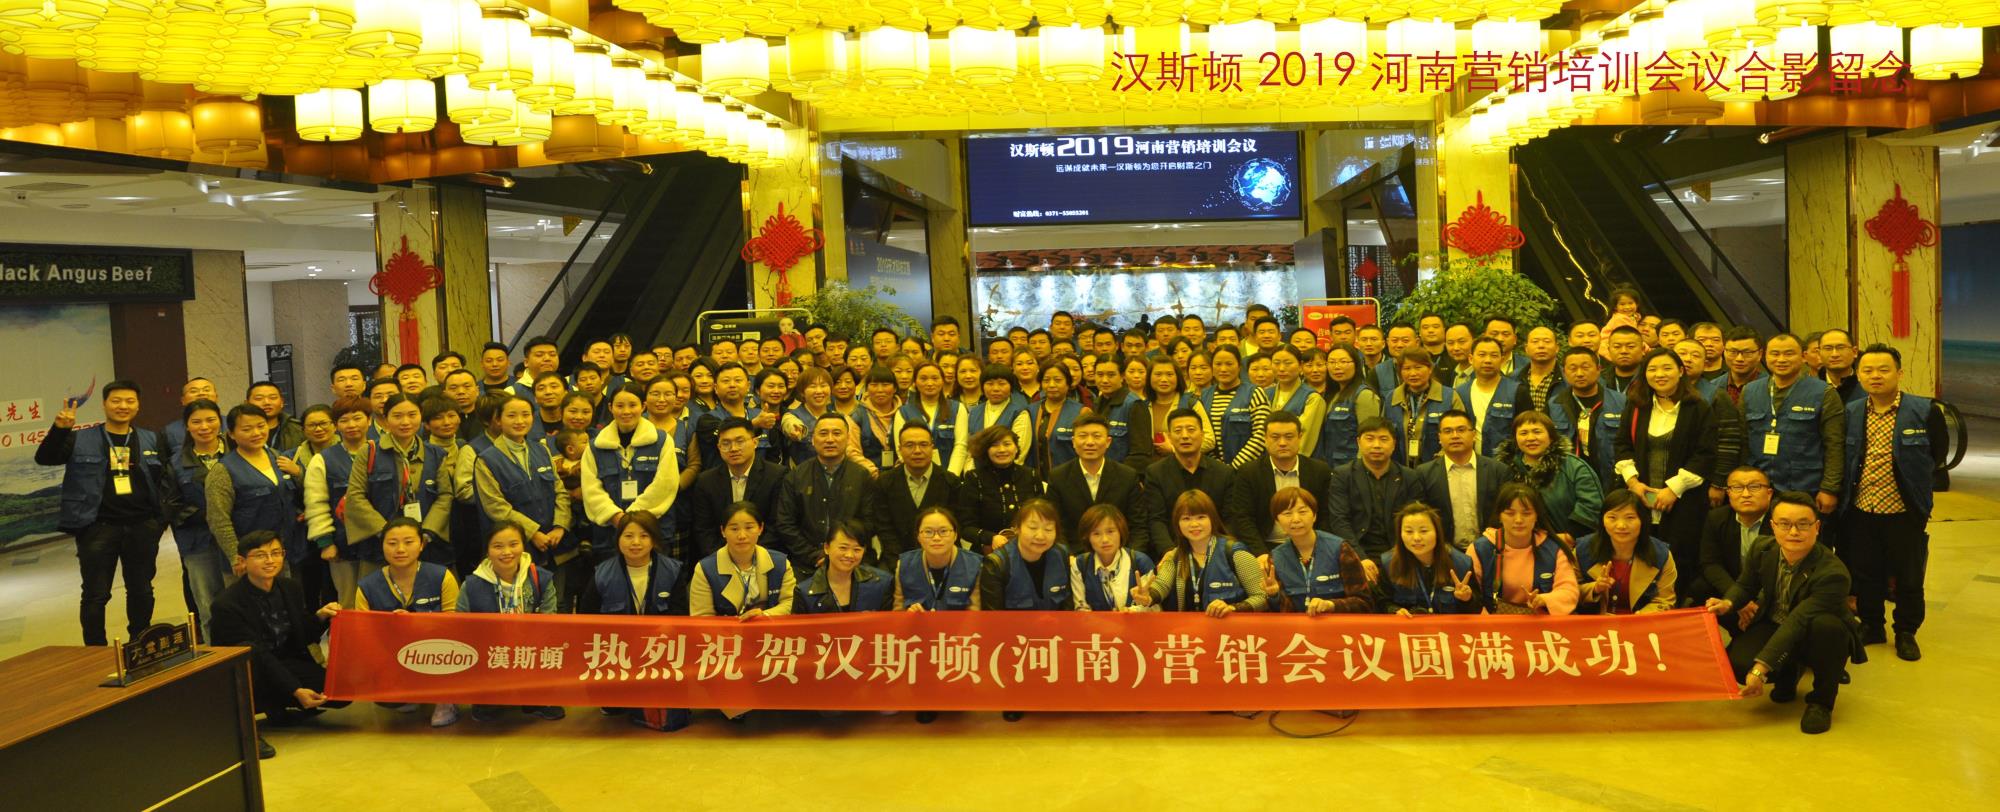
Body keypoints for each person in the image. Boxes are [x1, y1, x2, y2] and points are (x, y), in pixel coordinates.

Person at [1705, 491, 1864, 734]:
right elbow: (1746, 585)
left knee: (1827, 629)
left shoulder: (1833, 573)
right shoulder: (1762, 548)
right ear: (1772, 526)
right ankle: (1789, 672)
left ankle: (1821, 702)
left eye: (1803, 524)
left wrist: (1761, 668)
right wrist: (1728, 603)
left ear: (1817, 527)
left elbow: (1798, 621)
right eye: (1785, 524)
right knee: (1738, 664)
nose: (1793, 532)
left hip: (1814, 630)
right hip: (1775, 621)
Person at [35, 380, 176, 646]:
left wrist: (160, 519)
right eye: (116, 400)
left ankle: (139, 644)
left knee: (142, 590)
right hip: (98, 527)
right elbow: (45, 458)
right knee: (95, 595)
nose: (123, 406)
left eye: (130, 401)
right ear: (104, 404)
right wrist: (60, 429)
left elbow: (166, 479)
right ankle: (95, 650)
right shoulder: (80, 438)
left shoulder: (151, 438)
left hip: (142, 526)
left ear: (138, 405)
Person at [1841, 343, 1947, 661]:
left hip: (1905, 509)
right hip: (1862, 507)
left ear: (1899, 373)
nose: (1875, 376)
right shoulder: (1852, 411)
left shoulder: (1925, 410)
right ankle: (1872, 626)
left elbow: (1937, 455)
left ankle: (1906, 632)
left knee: (1908, 575)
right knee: (1866, 572)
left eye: (1883, 369)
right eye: (1868, 370)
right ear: (1859, 375)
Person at [209, 531, 350, 759]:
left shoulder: (289, 587)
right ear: (242, 561)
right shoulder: (226, 604)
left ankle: (277, 709)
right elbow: (258, 654)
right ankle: (246, 733)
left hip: (283, 662)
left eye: (276, 553)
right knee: (251, 653)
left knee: (339, 693)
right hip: (246, 674)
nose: (270, 560)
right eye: (260, 555)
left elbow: (300, 638)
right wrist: (295, 690)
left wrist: (321, 616)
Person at [1613, 347, 1719, 601]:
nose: (1659, 374)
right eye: (1652, 369)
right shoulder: (1637, 406)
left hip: (1683, 500)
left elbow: (1705, 454)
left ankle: (1674, 608)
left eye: (1667, 368)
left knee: (1679, 557)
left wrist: (1673, 489)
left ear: (1681, 371)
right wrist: (1633, 483)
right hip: (1641, 496)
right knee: (1641, 554)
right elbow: (1622, 445)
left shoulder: (1698, 407)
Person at [577, 510, 689, 731]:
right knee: (614, 708)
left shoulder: (672, 570)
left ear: (654, 540)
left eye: (644, 536)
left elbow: (681, 616)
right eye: (628, 536)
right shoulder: (601, 574)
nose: (636, 542)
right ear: (618, 539)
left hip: (658, 649)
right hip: (616, 651)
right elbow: (586, 618)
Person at [354, 518, 461, 727]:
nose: (400, 549)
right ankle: (410, 696)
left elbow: (456, 624)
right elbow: (363, 633)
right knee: (385, 696)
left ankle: (446, 700)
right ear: (382, 546)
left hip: (438, 651)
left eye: (408, 542)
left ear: (421, 545)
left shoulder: (441, 576)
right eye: (392, 543)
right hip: (393, 654)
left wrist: (417, 624)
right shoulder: (367, 586)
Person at [456, 522, 563, 723]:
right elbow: (460, 628)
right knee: (485, 711)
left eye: (513, 544)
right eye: (498, 546)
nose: (507, 552)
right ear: (487, 551)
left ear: (523, 546)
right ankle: (488, 696)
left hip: (530, 650)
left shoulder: (541, 578)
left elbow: (550, 621)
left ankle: (535, 695)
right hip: (489, 654)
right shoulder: (471, 585)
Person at [471, 395, 574, 595]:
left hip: (555, 543)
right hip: (516, 549)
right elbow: (496, 507)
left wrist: (560, 526)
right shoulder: (486, 460)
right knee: (523, 603)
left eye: (525, 415)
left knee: (558, 602)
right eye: (511, 416)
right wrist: (533, 533)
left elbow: (559, 490)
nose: (520, 421)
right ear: (498, 420)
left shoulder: (542, 450)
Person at [579, 385, 681, 564]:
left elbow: (665, 484)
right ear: (610, 407)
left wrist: (632, 518)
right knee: (611, 579)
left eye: (632, 405)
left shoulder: (662, 441)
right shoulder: (595, 446)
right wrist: (615, 516)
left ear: (643, 406)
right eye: (619, 406)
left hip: (653, 530)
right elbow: (591, 489)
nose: (626, 411)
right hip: (610, 532)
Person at [1744, 333, 1845, 513]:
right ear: (1765, 356)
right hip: (1759, 487)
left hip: (1806, 487)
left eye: (1789, 353)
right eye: (1775, 353)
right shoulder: (1750, 391)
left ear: (1803, 356)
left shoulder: (1824, 392)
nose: (1781, 359)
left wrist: (1829, 488)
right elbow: (1742, 439)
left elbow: (1835, 445)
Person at [1132, 490, 1267, 615]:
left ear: (1212, 519)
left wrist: (1233, 608)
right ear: (1177, 524)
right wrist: (1147, 597)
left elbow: (1262, 597)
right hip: (1190, 630)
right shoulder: (1175, 556)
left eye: (1201, 517)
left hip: (1230, 630)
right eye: (1186, 518)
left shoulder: (1235, 553)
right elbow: (1162, 585)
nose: (1194, 524)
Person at [207, 404, 306, 570]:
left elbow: (296, 494)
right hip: (250, 557)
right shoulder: (223, 470)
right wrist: (236, 557)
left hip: (286, 551)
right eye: (247, 429)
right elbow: (218, 520)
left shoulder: (278, 457)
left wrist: (299, 474)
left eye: (261, 426)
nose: (256, 433)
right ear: (231, 434)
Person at [1224, 410, 1332, 554]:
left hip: (1309, 545)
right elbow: (1242, 518)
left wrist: (1317, 548)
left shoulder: (1319, 470)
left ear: (1300, 437)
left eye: (1289, 437)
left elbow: (1326, 515)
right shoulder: (1248, 472)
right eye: (1275, 437)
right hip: (1266, 545)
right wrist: (1261, 553)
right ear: (1265, 439)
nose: (1282, 443)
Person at [774, 413, 872, 572]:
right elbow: (785, 524)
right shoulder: (796, 476)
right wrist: (814, 555)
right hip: (806, 563)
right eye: (823, 433)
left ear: (848, 438)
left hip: (852, 560)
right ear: (813, 439)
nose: (830, 439)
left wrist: (842, 552)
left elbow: (869, 523)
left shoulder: (862, 476)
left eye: (837, 433)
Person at [1045, 413, 1152, 553]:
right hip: (1074, 556)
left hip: (1119, 553)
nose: (1090, 442)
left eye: (1096, 436)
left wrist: (1129, 557)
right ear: (1073, 441)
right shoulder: (1058, 477)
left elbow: (1139, 526)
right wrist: (1067, 557)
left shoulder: (1127, 476)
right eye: (1083, 436)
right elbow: (1054, 525)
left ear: (1108, 442)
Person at [1258, 487, 1373, 615]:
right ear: (1277, 521)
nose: (1296, 519)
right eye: (1287, 514)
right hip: (1298, 626)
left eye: (1302, 512)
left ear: (1314, 515)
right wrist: (1274, 595)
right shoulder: (1276, 558)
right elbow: (1284, 613)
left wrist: (1331, 605)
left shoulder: (1340, 548)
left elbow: (1364, 603)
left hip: (1336, 624)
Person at [168, 399, 229, 641]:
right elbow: (171, 506)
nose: (204, 427)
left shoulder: (237, 453)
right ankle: (218, 656)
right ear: (186, 426)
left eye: (211, 420)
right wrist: (211, 515)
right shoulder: (176, 463)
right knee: (209, 607)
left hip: (238, 539)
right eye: (197, 422)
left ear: (220, 422)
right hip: (198, 543)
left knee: (243, 604)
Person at [1469, 482, 1579, 614]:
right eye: (1510, 513)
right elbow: (1472, 597)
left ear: (1536, 516)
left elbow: (1569, 591)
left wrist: (1545, 599)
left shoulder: (1553, 549)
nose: (1518, 520)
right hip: (1492, 622)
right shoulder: (1480, 549)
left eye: (1526, 513)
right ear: (1499, 516)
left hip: (1541, 622)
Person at [1141, 408, 1237, 560]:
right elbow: (1156, 519)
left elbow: (1230, 519)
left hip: (1216, 552)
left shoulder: (1224, 473)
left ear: (1202, 434)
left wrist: (1218, 551)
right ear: (1169, 437)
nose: (1185, 436)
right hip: (1173, 550)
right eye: (1178, 431)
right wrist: (1168, 551)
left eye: (1191, 430)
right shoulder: (1155, 473)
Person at [1495, 410, 1603, 539]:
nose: (1530, 438)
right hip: (1520, 544)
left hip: (1569, 543)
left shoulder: (1574, 467)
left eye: (1537, 432)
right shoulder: (1504, 469)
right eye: (1523, 433)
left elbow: (1592, 507)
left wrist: (1569, 536)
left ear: (1551, 437)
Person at [301, 397, 368, 604]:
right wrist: (325, 542)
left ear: (369, 420)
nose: (351, 425)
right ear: (336, 425)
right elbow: (316, 505)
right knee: (349, 602)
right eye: (344, 420)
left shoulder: (382, 453)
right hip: (342, 545)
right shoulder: (322, 460)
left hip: (378, 543)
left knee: (378, 602)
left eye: (357, 418)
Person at [1327, 417, 1425, 558]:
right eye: (1370, 439)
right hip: (1357, 549)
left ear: (1394, 444)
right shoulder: (1343, 475)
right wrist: (1360, 558)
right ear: (1358, 442)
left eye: (1383, 439)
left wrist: (1398, 556)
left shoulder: (1409, 477)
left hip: (1399, 551)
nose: (1376, 445)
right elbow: (1339, 521)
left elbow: (1415, 520)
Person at [689, 418, 786, 561]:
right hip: (719, 559)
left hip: (765, 557)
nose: (733, 448)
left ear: (755, 442)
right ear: (718, 447)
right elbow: (704, 530)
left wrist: (751, 558)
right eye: (726, 443)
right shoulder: (706, 481)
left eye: (740, 441)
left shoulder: (777, 476)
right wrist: (725, 559)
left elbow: (776, 526)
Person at [867, 422, 960, 567]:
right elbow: (884, 529)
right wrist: (901, 563)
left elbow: (954, 528)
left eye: (923, 444)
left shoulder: (950, 482)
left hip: (942, 558)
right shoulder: (885, 482)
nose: (917, 451)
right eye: (909, 445)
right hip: (896, 558)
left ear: (932, 447)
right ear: (900, 449)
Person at [1574, 490, 1677, 614]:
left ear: (1642, 520)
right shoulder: (1583, 550)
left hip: (1640, 623)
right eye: (1612, 517)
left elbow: (1664, 601)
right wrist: (1595, 588)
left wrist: (1637, 619)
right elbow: (1567, 593)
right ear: (1602, 520)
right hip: (1594, 623)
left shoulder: (1660, 555)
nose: (1621, 525)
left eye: (1630, 518)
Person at [1413, 410, 1505, 549]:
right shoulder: (1424, 474)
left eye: (1461, 430)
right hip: (1444, 551)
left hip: (1490, 550)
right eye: (1448, 431)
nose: (1455, 436)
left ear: (1473, 434)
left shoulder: (1498, 471)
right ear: (1439, 437)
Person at [951, 424, 1046, 556]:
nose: (1001, 450)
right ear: (986, 450)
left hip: (1029, 550)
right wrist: (991, 538)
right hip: (987, 553)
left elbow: (1044, 517)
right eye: (994, 445)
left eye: (1007, 444)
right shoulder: (974, 478)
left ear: (1016, 448)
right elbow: (965, 527)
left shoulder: (1031, 475)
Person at [692, 501, 795, 618]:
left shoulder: (780, 563)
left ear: (760, 528)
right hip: (726, 630)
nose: (742, 536)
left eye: (749, 527)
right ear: (723, 531)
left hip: (768, 628)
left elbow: (790, 602)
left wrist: (764, 615)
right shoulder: (705, 569)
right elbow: (702, 616)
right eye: (734, 529)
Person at [1545, 346, 1627, 494]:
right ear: (1564, 372)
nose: (1579, 373)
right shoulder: (1554, 404)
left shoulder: (1621, 402)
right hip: (1568, 479)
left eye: (1585, 367)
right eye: (1573, 368)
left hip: (1612, 479)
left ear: (1598, 369)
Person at [1377, 503, 1478, 616]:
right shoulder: (1389, 563)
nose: (1416, 538)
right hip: (1408, 626)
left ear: (1437, 532)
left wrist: (1466, 600)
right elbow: (1382, 601)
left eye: (1423, 531)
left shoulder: (1461, 563)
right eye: (1409, 531)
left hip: (1448, 626)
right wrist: (1394, 610)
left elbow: (1476, 610)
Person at [978, 499, 1075, 616]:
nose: (1040, 536)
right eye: (1033, 528)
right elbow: (993, 617)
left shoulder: (1062, 554)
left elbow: (1068, 605)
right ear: (1017, 529)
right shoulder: (997, 563)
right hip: (1013, 627)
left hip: (1056, 626)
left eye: (1048, 529)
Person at [1383, 346, 1465, 467]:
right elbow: (1384, 434)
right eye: (1407, 368)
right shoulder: (1392, 398)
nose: (1413, 373)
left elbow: (1461, 433)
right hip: (1400, 468)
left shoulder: (1449, 397)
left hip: (1438, 467)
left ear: (1430, 369)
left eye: (1418, 367)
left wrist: (1440, 462)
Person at [1068, 504, 1156, 613]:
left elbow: (1155, 607)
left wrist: (1133, 611)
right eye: (1096, 534)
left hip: (1135, 622)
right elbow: (1081, 608)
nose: (1105, 539)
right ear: (1087, 537)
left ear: (1120, 531)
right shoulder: (1080, 564)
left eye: (1110, 531)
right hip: (1094, 623)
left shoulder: (1140, 562)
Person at [949, 363, 1033, 475]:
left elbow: (1019, 452)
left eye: (1002, 384)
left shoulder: (1019, 412)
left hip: (1007, 475)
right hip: (977, 475)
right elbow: (969, 450)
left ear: (1011, 386)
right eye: (990, 384)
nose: (995, 389)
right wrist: (970, 474)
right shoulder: (974, 412)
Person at [795, 519, 894, 613]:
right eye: (843, 548)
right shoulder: (805, 593)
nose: (849, 555)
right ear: (826, 548)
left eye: (857, 549)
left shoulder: (881, 584)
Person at [1314, 345, 1381, 469]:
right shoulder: (1332, 394)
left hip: (1352, 466)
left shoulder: (1364, 395)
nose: (1337, 367)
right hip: (1330, 464)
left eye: (1343, 362)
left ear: (1356, 364)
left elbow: (1370, 438)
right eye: (1332, 362)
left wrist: (1360, 470)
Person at [1454, 336, 1521, 457]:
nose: (1488, 360)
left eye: (1494, 355)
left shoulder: (1517, 391)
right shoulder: (1459, 393)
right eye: (1482, 355)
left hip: (1506, 462)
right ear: (1471, 359)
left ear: (1502, 359)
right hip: (1468, 461)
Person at [1030, 361, 1083, 475]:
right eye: (1046, 380)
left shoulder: (1080, 412)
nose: (1051, 385)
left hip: (1069, 477)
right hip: (1036, 478)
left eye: (1058, 380)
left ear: (1068, 383)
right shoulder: (1030, 411)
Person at [247, 381, 306, 454]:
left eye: (273, 398)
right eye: (259, 398)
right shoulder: (237, 431)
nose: (267, 402)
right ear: (247, 403)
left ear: (282, 402)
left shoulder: (299, 430)